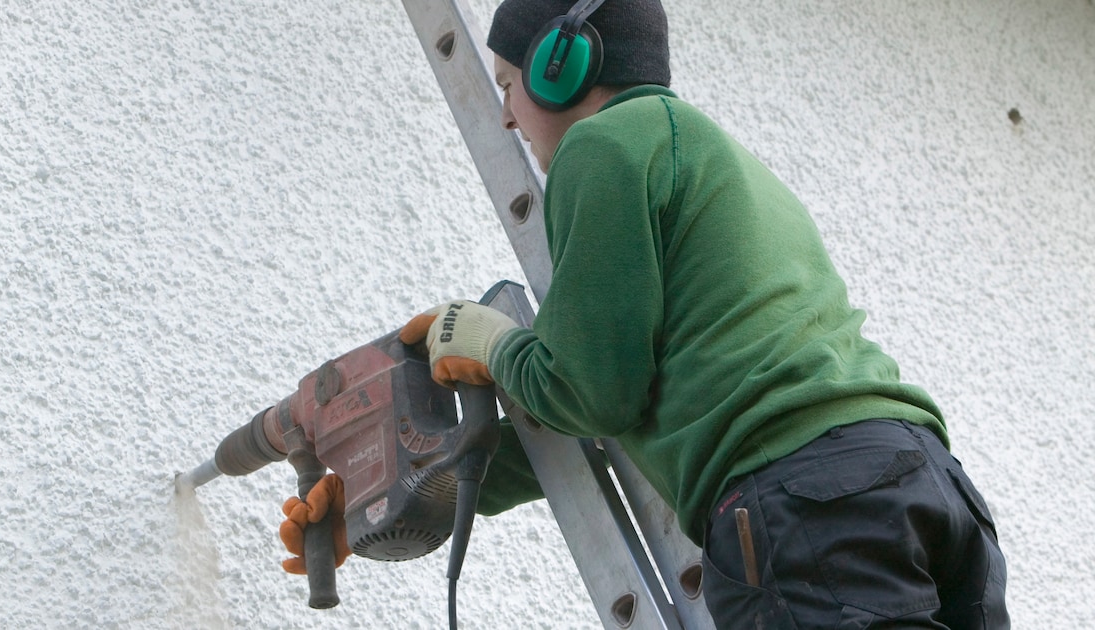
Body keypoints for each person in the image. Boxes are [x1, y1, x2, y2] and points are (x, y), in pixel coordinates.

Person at [283, 0, 1010, 627]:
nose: (504, 116)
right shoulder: (713, 160)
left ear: (560, 65)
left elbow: (588, 392)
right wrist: (407, 489)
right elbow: (612, 421)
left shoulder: (601, 148)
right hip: (923, 482)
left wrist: (492, 341)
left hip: (804, 509)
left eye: (508, 85)